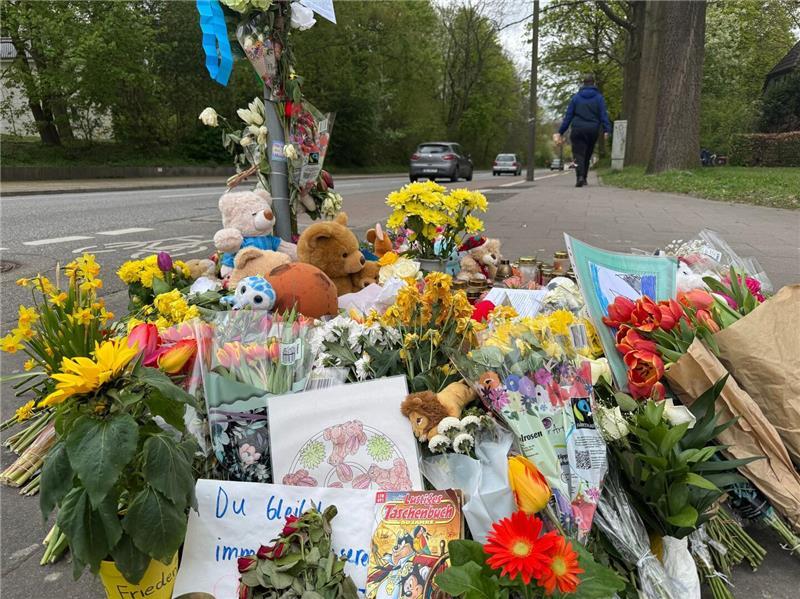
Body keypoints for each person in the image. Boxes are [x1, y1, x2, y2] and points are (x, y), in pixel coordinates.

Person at [555, 75, 611, 187]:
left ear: (583, 83)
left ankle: (579, 177)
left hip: (578, 130)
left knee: (578, 155)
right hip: (592, 130)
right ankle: (584, 178)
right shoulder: (599, 98)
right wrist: (607, 129)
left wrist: (561, 131)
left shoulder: (576, 98)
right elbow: (603, 115)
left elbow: (568, 116)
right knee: (587, 154)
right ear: (593, 83)